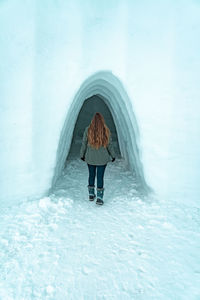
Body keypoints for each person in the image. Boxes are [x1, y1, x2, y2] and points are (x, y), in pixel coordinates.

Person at [80, 112, 116, 205]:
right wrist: (113, 155)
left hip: (90, 157)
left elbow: (84, 143)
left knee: (91, 175)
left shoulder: (88, 130)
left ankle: (91, 194)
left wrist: (82, 154)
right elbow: (109, 145)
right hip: (102, 159)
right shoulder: (106, 130)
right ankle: (99, 197)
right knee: (100, 177)